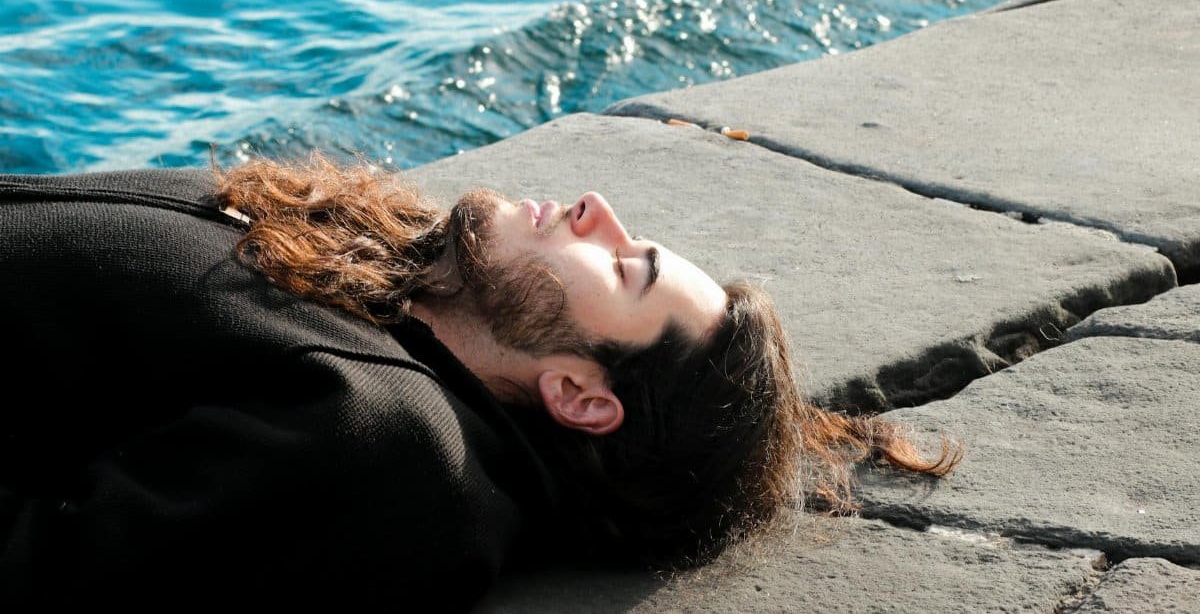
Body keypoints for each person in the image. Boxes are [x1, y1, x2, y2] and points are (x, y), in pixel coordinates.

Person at [0, 154, 959, 608]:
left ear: (582, 395)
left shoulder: (388, 444)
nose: (599, 207)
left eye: (625, 267)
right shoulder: (386, 278)